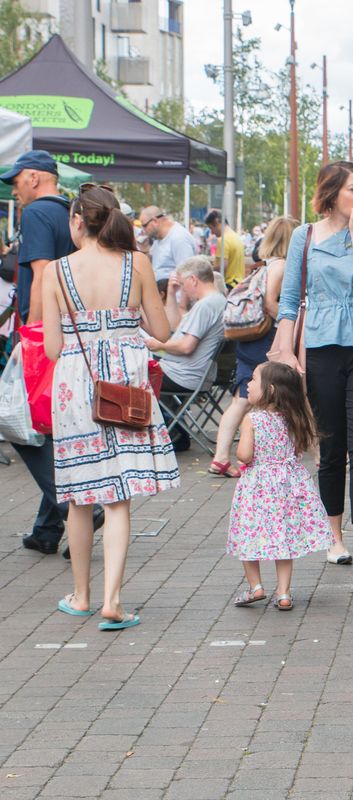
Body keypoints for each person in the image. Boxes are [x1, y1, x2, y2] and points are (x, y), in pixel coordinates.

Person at [41, 184, 178, 629]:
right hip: (125, 381)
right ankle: (113, 600)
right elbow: (161, 327)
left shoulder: (56, 272)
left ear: (79, 220)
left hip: (75, 384)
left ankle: (80, 595)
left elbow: (51, 348)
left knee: (81, 494)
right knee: (119, 496)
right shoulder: (136, 263)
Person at [274, 160, 353, 575]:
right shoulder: (304, 237)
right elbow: (289, 300)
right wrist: (285, 349)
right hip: (321, 348)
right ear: (332, 192)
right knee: (331, 449)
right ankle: (334, 537)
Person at [3, 153, 106, 557]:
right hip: (75, 329)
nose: (14, 189)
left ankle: (72, 505)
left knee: (22, 425)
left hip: (44, 332)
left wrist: (29, 334)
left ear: (33, 178)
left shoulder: (36, 214)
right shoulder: (72, 215)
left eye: (16, 181)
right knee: (57, 425)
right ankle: (47, 530)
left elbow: (43, 273)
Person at [226, 362, 332, 610]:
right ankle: (283, 593)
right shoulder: (293, 418)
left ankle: (256, 587)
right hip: (287, 486)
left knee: (248, 535)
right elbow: (296, 449)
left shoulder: (252, 419)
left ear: (270, 389)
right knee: (283, 538)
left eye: (253, 379)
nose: (249, 384)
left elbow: (244, 455)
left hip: (257, 487)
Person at [210, 216, 297, 478]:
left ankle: (221, 457)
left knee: (242, 397)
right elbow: (271, 302)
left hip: (248, 340)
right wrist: (290, 323)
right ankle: (226, 455)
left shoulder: (263, 265)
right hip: (265, 338)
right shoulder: (281, 266)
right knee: (252, 397)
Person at [145, 255, 227, 452]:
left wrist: (158, 345)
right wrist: (171, 295)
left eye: (182, 284)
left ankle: (154, 436)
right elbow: (174, 328)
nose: (183, 289)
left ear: (193, 280)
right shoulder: (217, 301)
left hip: (183, 375)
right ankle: (176, 432)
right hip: (194, 373)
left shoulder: (205, 305)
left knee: (134, 373)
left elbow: (186, 346)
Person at [139, 206, 198, 282]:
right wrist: (144, 250)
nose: (143, 230)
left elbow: (187, 274)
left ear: (154, 221)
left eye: (144, 225)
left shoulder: (179, 238)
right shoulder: (158, 239)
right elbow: (155, 265)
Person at [204, 209, 246, 288]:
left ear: (216, 223)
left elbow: (222, 266)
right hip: (238, 283)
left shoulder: (222, 240)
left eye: (211, 228)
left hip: (228, 284)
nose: (212, 232)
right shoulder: (236, 237)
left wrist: (207, 269)